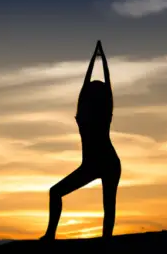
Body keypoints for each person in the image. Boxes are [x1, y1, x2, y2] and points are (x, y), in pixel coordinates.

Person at [40, 40, 121, 240]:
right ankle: (50, 235)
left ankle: (105, 241)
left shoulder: (96, 113)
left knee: (108, 206)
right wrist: (97, 58)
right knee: (56, 192)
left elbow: (100, 86)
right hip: (94, 165)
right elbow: (97, 86)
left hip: (108, 163)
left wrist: (96, 58)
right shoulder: (90, 112)